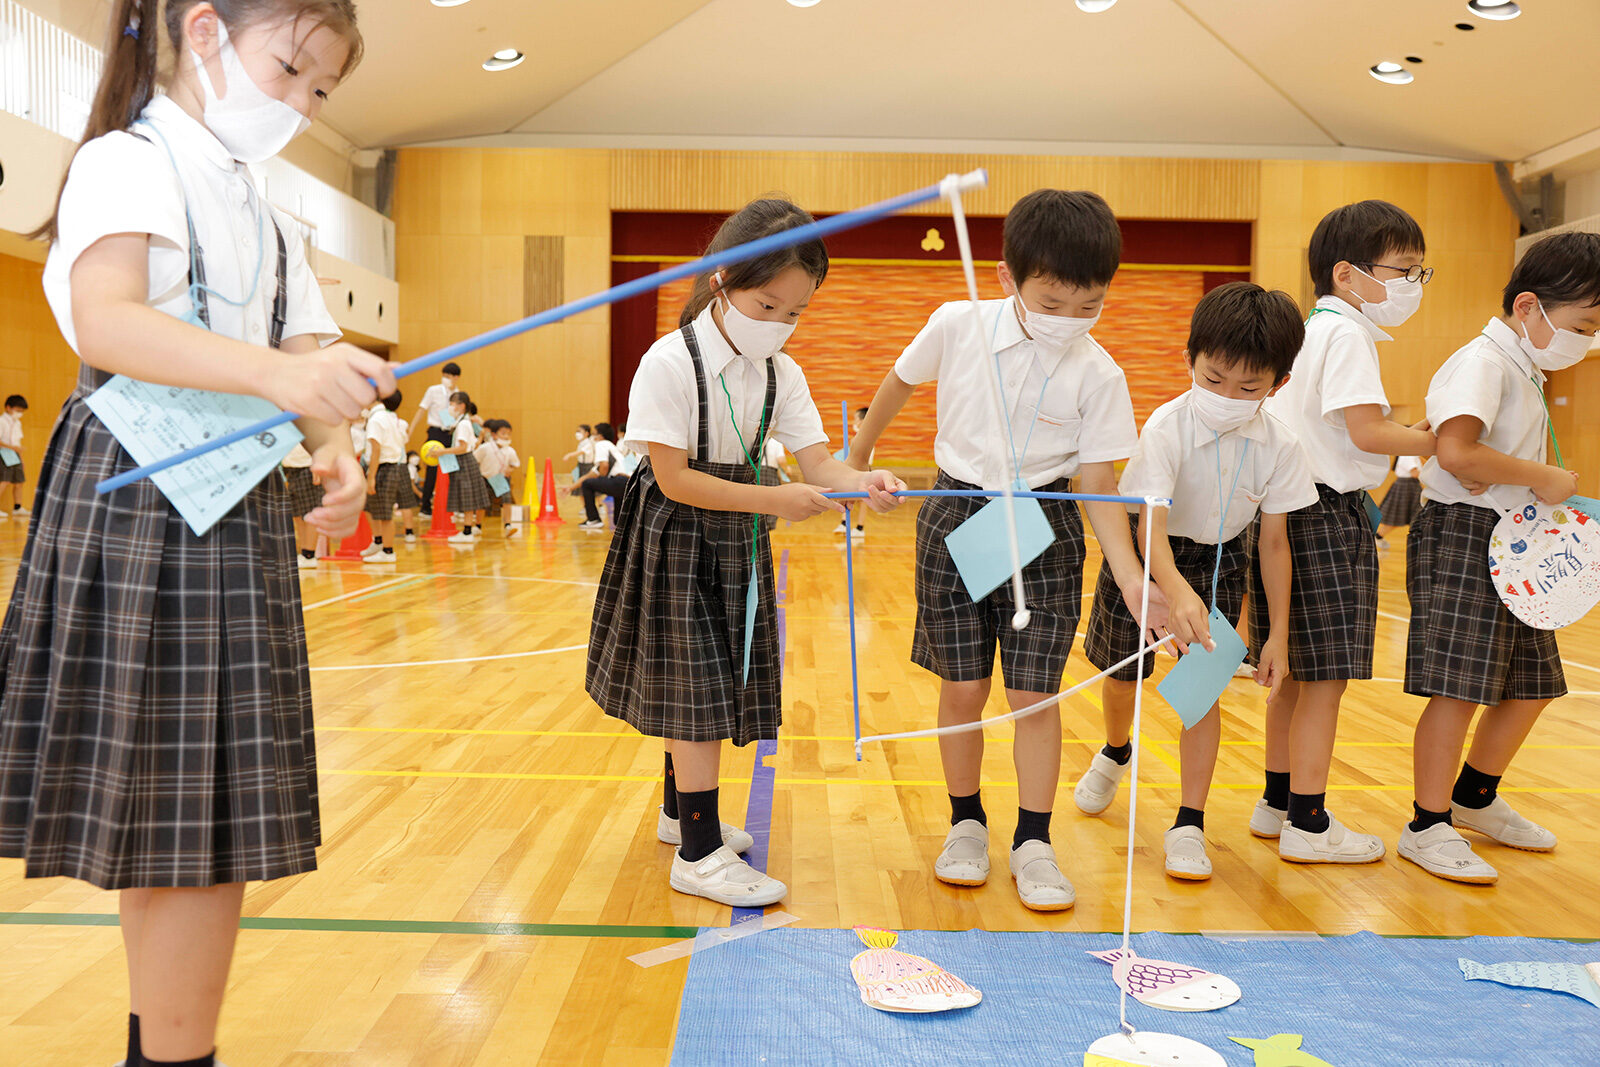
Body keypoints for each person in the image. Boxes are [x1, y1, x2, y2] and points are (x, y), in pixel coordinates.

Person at [0, 4, 381, 1065]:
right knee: (188, 826)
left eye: (321, 92)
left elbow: (305, 340)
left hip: (236, 498)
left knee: (199, 824)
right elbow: (110, 317)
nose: (301, 106)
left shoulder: (258, 205)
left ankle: (165, 1052)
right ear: (204, 31)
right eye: (292, 70)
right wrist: (282, 377)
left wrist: (336, 443)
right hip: (143, 485)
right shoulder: (128, 160)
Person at [846, 189, 1172, 912]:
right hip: (956, 512)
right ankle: (965, 821)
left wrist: (1131, 576)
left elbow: (1097, 484)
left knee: (1034, 693)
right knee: (963, 685)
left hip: (1045, 525)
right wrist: (855, 458)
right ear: (1005, 278)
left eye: (1089, 304)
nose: (1070, 319)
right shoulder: (957, 323)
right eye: (1052, 301)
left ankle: (1033, 839)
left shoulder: (1102, 374)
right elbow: (899, 382)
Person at [587, 198, 905, 907]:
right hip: (675, 531)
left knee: (711, 679)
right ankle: (697, 853)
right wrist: (776, 500)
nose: (780, 325)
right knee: (693, 691)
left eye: (795, 313)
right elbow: (673, 478)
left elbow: (820, 464)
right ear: (722, 278)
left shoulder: (781, 374)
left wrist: (864, 480)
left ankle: (680, 815)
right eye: (768, 304)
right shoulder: (669, 362)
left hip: (736, 532)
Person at [1074, 283, 1316, 880]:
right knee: (1122, 673)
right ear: (1190, 359)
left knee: (1200, 696)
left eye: (1248, 388)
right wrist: (1173, 589)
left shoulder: (1281, 443)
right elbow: (1149, 524)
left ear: (1278, 383)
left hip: (1219, 560)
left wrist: (1275, 633)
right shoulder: (1166, 427)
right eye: (1213, 379)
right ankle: (1116, 748)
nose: (1227, 396)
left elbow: (1275, 542)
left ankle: (1188, 822)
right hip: (1146, 556)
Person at [1398, 231, 1600, 884]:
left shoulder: (1524, 367)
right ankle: (1427, 824)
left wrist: (1523, 477)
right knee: (1458, 689)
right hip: (1465, 536)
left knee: (1532, 686)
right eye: (1584, 324)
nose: (1589, 340)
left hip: (1515, 539)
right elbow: (1456, 451)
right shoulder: (1484, 361)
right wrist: (1541, 476)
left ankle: (1474, 796)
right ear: (1529, 306)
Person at [1246, 200, 1438, 865]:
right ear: (1348, 274)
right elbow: (1367, 431)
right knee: (1324, 679)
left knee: (1292, 675)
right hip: (1326, 516)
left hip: (1285, 514)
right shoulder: (1348, 334)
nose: (1414, 283)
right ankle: (1310, 820)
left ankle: (1277, 803)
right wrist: (1436, 438)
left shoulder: (1309, 330)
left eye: (1421, 271)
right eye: (1404, 269)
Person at [363, 388, 418, 561]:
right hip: (389, 466)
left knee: (385, 513)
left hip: (384, 467)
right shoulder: (390, 417)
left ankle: (388, 551)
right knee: (371, 508)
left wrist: (371, 477)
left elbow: (376, 450)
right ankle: (379, 542)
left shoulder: (377, 419)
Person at [408, 360, 459, 515]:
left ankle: (448, 506)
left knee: (450, 469)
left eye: (450, 376)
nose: (446, 378)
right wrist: (411, 430)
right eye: (444, 375)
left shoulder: (457, 393)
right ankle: (425, 506)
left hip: (449, 433)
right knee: (432, 469)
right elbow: (421, 410)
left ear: (456, 377)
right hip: (435, 432)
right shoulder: (433, 390)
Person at [441, 390, 489, 544]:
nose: (449, 408)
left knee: (467, 498)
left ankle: (467, 532)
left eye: (452, 405)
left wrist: (442, 452)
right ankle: (467, 531)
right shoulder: (465, 422)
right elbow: (473, 444)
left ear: (461, 406)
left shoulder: (463, 424)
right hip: (467, 461)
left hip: (463, 461)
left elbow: (462, 447)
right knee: (467, 498)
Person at [576, 422, 625, 530]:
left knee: (587, 484)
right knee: (619, 523)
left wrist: (601, 478)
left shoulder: (601, 444)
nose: (592, 437)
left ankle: (593, 520)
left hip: (618, 481)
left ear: (600, 436)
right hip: (625, 483)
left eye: (594, 434)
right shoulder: (612, 446)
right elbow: (592, 473)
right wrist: (571, 487)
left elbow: (604, 466)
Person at [835, 405, 868, 539]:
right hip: (854, 470)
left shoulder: (865, 436)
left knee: (863, 501)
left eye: (856, 419)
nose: (854, 422)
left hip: (863, 471)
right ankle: (844, 524)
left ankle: (860, 528)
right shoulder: (858, 436)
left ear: (861, 421)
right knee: (847, 496)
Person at [1375, 454, 1422, 541]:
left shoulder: (1411, 455)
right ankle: (1378, 536)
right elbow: (1415, 473)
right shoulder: (1407, 455)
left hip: (1411, 486)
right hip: (1407, 486)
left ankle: (1379, 536)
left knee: (1416, 517)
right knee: (1398, 517)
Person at [0, 395, 29, 518]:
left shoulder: (18, 423)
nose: (20, 413)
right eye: (17, 410)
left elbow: (17, 442)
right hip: (3, 453)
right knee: (4, 481)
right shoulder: (1, 421)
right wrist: (13, 448)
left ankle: (17, 507)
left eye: (21, 411)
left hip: (15, 454)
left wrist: (21, 459)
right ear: (8, 407)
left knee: (19, 481)